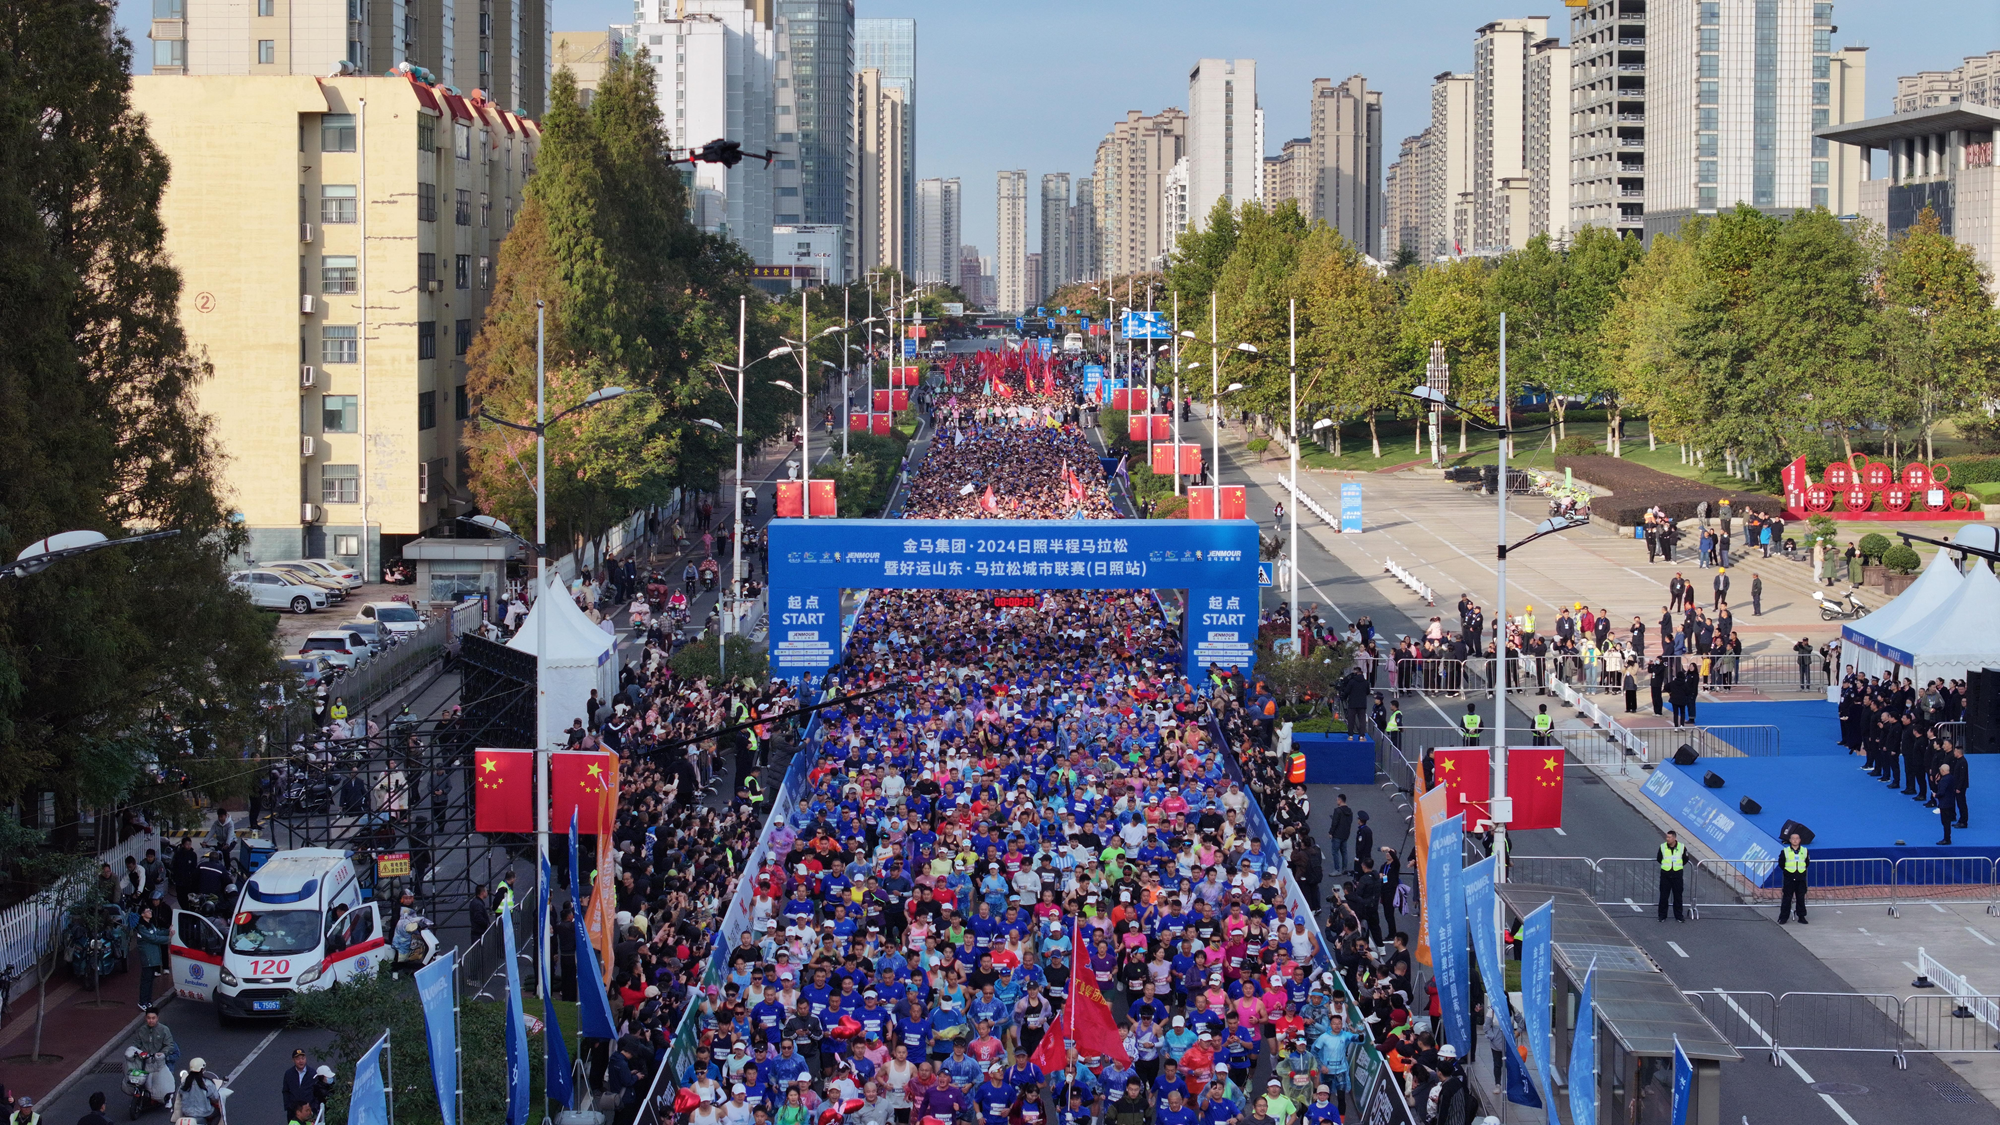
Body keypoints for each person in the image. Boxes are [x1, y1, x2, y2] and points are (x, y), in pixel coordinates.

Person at [133, 907, 168, 1007]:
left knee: (150, 979)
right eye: (148, 911)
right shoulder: (142, 928)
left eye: (150, 911)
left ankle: (148, 1000)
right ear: (142, 914)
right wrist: (168, 938)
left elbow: (158, 932)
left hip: (152, 957)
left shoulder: (150, 925)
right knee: (146, 980)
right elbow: (153, 938)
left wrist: (168, 931)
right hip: (147, 958)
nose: (150, 912)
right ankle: (142, 1001)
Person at [1776, 831, 1809, 925]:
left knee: (1800, 897)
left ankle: (1801, 916)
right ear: (1790, 840)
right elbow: (1781, 863)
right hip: (1789, 878)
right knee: (1787, 898)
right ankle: (1783, 917)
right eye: (1793, 839)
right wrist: (1789, 872)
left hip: (1801, 878)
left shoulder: (1805, 850)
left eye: (1797, 838)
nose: (1795, 840)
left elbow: (1806, 863)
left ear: (1800, 840)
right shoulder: (1785, 851)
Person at [176, 1059, 221, 1125]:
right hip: (204, 1113)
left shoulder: (185, 1082)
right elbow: (216, 1098)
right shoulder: (207, 1083)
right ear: (202, 1069)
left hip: (187, 1113)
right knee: (218, 1114)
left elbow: (180, 1094)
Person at [1656, 830, 1687, 923]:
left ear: (1674, 838)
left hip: (1677, 875)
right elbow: (1659, 859)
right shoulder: (1662, 847)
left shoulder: (1682, 847)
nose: (1667, 839)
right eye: (1667, 837)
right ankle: (1662, 916)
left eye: (1669, 837)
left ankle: (1679, 916)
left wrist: (1676, 868)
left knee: (1678, 897)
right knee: (1664, 897)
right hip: (1666, 875)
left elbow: (1685, 859)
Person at [283, 1049, 315, 1115]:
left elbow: (317, 1092)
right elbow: (285, 1091)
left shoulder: (313, 1073)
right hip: (293, 1111)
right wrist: (288, 1106)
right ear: (293, 1060)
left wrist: (313, 1107)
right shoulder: (289, 1074)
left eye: (303, 1058)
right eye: (298, 1059)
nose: (301, 1061)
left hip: (308, 1111)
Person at [1326, 796, 1352, 878]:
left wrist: (1331, 832)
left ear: (1340, 800)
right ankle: (1344, 868)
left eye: (1337, 799)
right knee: (1344, 851)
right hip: (1345, 834)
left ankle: (1337, 870)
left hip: (1337, 835)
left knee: (1335, 852)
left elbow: (1335, 823)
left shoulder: (1337, 810)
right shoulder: (1349, 811)